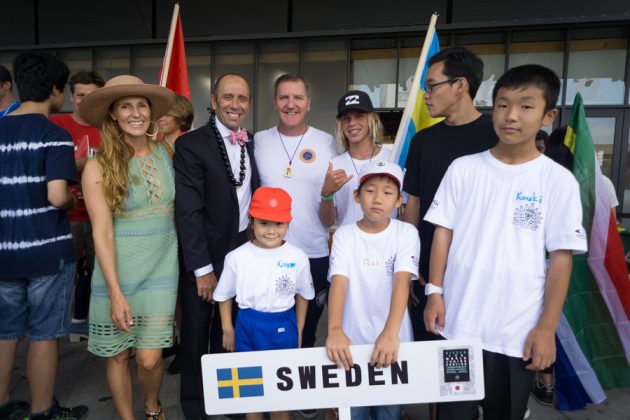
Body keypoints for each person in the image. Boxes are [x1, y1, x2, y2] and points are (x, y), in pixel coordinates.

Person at [423, 64, 588, 420]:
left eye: (526, 106)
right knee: (452, 414)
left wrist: (546, 328)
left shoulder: (557, 182)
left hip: (516, 332)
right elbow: (443, 231)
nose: (511, 115)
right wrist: (434, 290)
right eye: (502, 104)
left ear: (548, 115)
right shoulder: (463, 169)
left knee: (506, 413)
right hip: (459, 329)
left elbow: (561, 258)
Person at [80, 75, 176, 420]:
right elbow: (102, 233)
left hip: (163, 268)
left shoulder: (167, 151)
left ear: (150, 113)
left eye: (141, 105)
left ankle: (152, 406)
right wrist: (116, 292)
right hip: (116, 272)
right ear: (113, 115)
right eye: (126, 106)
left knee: (149, 358)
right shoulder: (98, 166)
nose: (135, 113)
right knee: (119, 354)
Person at [0, 51, 88, 420]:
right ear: (55, 88)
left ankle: (3, 404)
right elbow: (56, 196)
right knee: (44, 334)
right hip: (46, 253)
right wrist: (70, 197)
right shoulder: (55, 134)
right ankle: (41, 411)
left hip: (4, 251)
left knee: (5, 332)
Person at [174, 73, 260, 420]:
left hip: (242, 251)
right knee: (196, 331)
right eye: (228, 97)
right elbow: (188, 210)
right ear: (213, 101)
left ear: (249, 103)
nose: (235, 104)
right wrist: (202, 268)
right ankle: (195, 408)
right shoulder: (190, 144)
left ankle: (229, 399)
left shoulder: (251, 142)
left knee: (232, 329)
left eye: (242, 98)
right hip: (205, 255)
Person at [401, 47, 498, 345]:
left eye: (431, 86)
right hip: (428, 277)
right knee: (430, 370)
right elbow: (413, 205)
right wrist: (408, 263)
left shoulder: (496, 136)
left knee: (477, 371)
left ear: (460, 85)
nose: (425, 95)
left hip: (482, 275)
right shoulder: (423, 141)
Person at [326, 160, 419, 420]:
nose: (378, 198)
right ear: (356, 196)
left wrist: (391, 333)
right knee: (352, 410)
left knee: (388, 411)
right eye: (369, 190)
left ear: (400, 200)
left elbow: (402, 281)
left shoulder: (406, 233)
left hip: (392, 342)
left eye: (388, 192)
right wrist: (334, 330)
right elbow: (339, 282)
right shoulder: (344, 235)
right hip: (350, 342)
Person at [214, 186, 314, 420]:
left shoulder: (297, 256)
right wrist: (228, 328)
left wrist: (298, 330)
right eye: (264, 223)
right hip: (248, 325)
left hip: (283, 324)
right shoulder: (237, 257)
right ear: (251, 221)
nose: (271, 231)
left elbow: (304, 296)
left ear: (288, 224)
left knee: (281, 397)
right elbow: (223, 295)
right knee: (252, 395)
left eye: (278, 224)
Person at [254, 74, 337, 351]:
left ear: (309, 103)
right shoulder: (257, 142)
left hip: (313, 254)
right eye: (284, 97)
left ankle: (299, 392)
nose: (291, 104)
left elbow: (330, 218)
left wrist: (326, 195)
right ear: (275, 103)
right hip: (268, 254)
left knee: (306, 333)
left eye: (298, 97)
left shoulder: (328, 144)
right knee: (269, 330)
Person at [50, 70, 106, 341]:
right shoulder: (57, 124)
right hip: (65, 215)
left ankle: (101, 331)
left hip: (101, 217)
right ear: (71, 96)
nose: (85, 101)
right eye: (81, 95)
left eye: (92, 96)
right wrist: (84, 164)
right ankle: (50, 340)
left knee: (102, 278)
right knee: (61, 280)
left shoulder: (109, 127)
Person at [319, 90, 395, 227]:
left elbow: (404, 208)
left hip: (387, 245)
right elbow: (327, 222)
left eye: (359, 116)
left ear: (371, 119)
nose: (352, 123)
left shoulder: (393, 159)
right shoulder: (334, 165)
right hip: (349, 245)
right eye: (346, 119)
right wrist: (326, 194)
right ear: (341, 125)